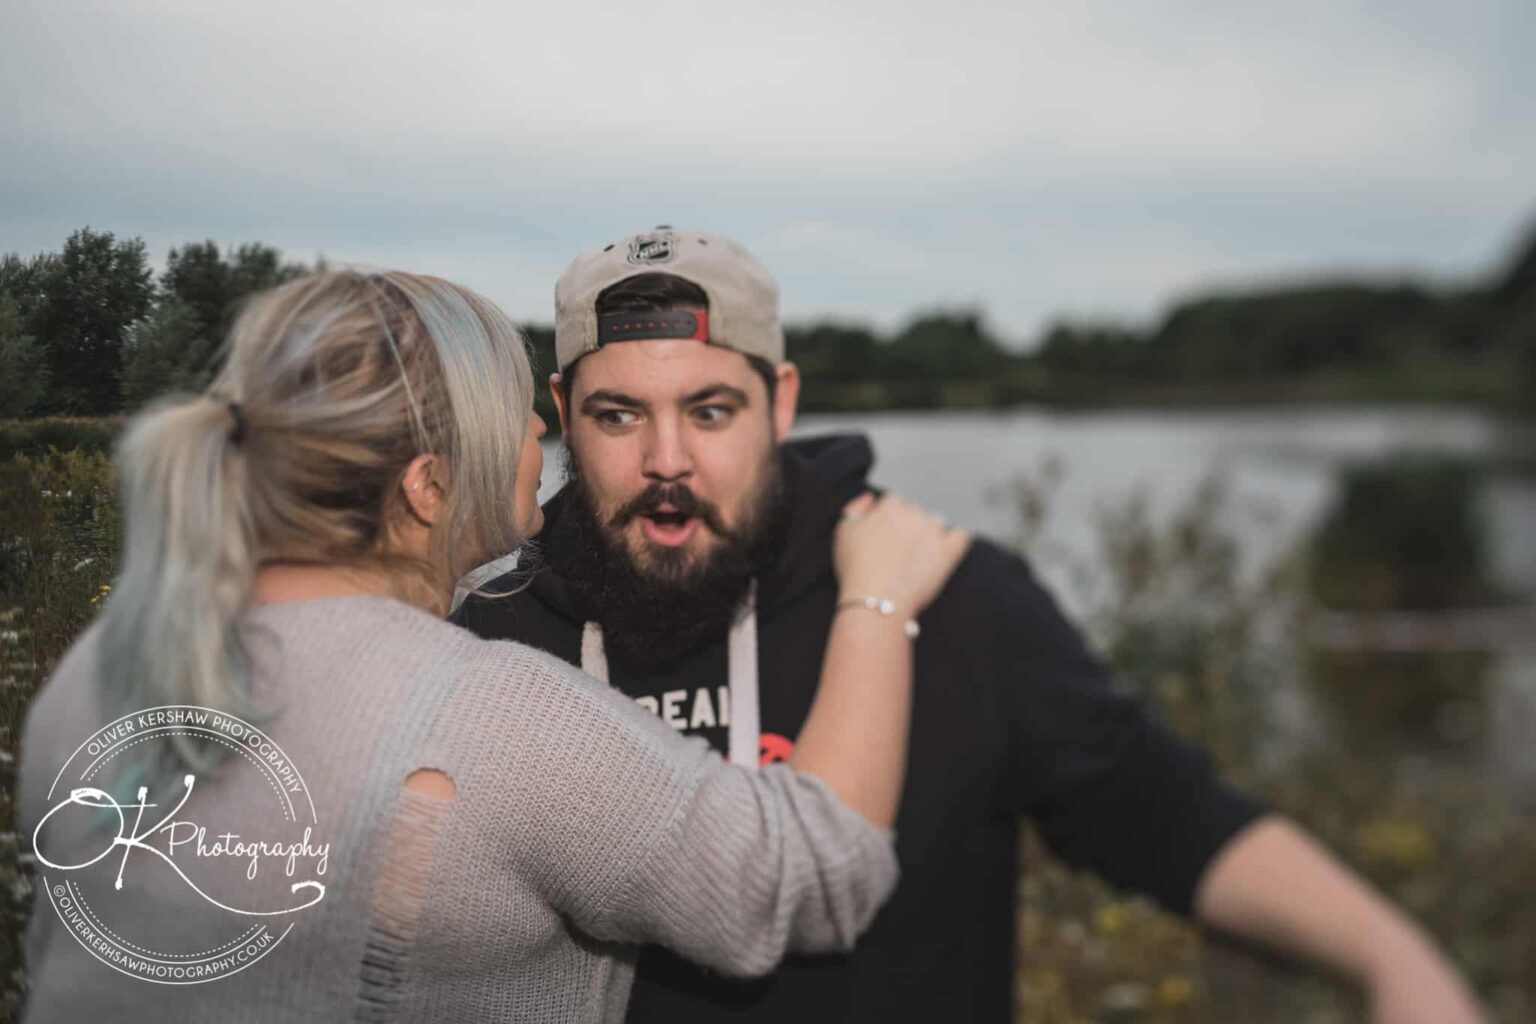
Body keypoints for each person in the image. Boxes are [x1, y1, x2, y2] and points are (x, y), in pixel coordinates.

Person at [453, 227, 1490, 1024]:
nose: (668, 459)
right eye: (619, 413)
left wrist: (1392, 958)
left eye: (712, 411)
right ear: (562, 410)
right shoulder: (496, 637)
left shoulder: (949, 597)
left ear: (780, 404)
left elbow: (1163, 812)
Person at [16, 269, 973, 1022]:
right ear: (430, 489)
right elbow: (809, 878)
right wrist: (878, 599)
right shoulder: (493, 719)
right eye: (518, 409)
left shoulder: (98, 668)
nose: (535, 435)